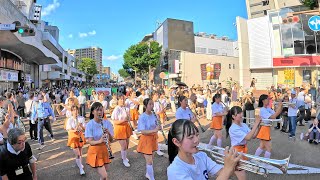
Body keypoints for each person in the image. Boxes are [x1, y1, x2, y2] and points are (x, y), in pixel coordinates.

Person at [167, 119, 241, 180]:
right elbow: (225, 172)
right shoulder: (174, 170)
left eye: (197, 135)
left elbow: (224, 173)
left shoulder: (201, 156)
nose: (196, 140)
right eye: (190, 137)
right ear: (176, 142)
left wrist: (233, 166)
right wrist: (228, 169)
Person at [225, 106, 261, 179]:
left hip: (243, 151)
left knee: (236, 172)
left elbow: (253, 136)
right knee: (241, 175)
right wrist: (256, 124)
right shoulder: (233, 128)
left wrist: (259, 125)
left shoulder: (243, 125)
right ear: (233, 116)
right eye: (238, 113)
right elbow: (248, 137)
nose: (241, 115)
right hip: (236, 152)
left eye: (241, 112)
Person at [136, 98, 164, 180]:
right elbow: (142, 131)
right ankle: (152, 178)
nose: (152, 106)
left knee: (151, 159)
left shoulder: (154, 115)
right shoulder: (142, 117)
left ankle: (148, 174)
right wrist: (154, 130)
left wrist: (158, 126)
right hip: (146, 140)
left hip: (153, 139)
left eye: (153, 104)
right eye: (150, 104)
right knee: (149, 161)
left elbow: (156, 126)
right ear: (145, 106)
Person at [85, 102, 114, 180]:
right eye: (97, 110)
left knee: (104, 175)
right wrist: (100, 141)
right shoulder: (89, 124)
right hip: (95, 151)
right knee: (104, 175)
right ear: (92, 112)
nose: (100, 112)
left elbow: (111, 140)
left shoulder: (107, 123)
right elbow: (90, 141)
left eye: (101, 110)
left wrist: (108, 133)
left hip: (105, 150)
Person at [254, 94, 282, 159]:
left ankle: (254, 159)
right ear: (263, 101)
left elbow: (276, 114)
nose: (269, 100)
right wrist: (279, 107)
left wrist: (280, 107)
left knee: (262, 146)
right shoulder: (262, 109)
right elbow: (273, 117)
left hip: (266, 128)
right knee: (269, 148)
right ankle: (266, 163)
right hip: (264, 129)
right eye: (267, 99)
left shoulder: (267, 108)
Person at [111, 95, 133, 167]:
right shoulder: (117, 109)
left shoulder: (126, 108)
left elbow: (129, 118)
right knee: (123, 145)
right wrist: (124, 120)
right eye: (120, 99)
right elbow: (114, 122)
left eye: (123, 99)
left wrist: (129, 117)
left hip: (126, 127)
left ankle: (125, 157)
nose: (122, 101)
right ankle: (124, 159)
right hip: (119, 128)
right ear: (118, 101)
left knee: (127, 144)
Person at [66, 106, 86, 175]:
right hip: (73, 137)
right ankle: (81, 168)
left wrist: (81, 126)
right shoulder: (70, 120)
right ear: (71, 111)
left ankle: (79, 163)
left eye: (76, 110)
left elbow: (84, 129)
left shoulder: (81, 118)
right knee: (77, 154)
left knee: (80, 153)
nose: (75, 111)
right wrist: (75, 129)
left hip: (80, 136)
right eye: (74, 110)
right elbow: (69, 130)